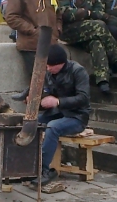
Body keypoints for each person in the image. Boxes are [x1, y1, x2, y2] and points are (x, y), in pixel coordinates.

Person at [15, 44, 91, 186]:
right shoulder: (50, 73)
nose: (48, 68)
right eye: (47, 65)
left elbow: (83, 98)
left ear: (61, 63)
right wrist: (34, 100)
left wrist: (58, 101)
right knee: (32, 122)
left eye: (51, 66)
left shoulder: (78, 71)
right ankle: (26, 165)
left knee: (53, 127)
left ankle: (42, 170)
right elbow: (46, 92)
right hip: (57, 113)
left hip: (77, 116)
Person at [58, 0, 117, 94]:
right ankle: (116, 59)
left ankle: (102, 80)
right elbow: (65, 13)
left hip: (87, 27)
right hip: (68, 30)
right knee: (99, 26)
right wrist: (87, 13)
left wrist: (90, 14)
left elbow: (99, 12)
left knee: (95, 42)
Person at [5, 0, 62, 101]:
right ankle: (36, 111)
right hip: (31, 45)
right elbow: (11, 17)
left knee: (53, 84)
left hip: (51, 44)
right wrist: (33, 31)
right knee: (40, 85)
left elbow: (58, 13)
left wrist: (57, 30)